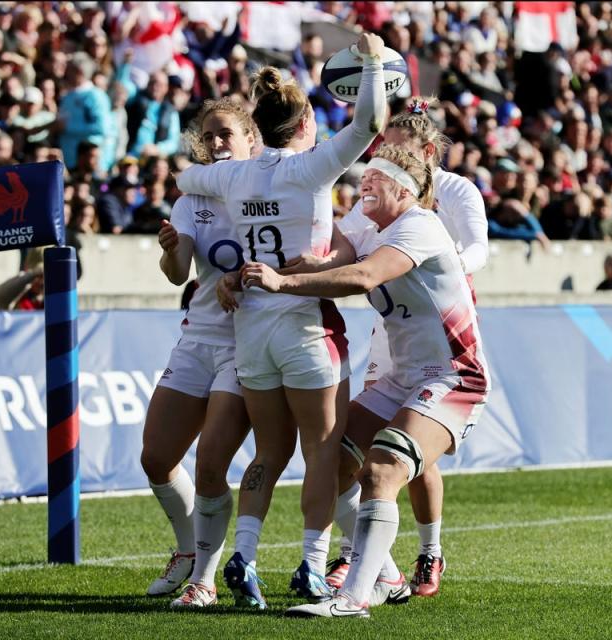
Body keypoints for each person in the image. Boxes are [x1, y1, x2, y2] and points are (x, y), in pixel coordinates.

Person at [177, 33, 386, 609]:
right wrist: (371, 61)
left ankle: (243, 557)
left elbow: (184, 179)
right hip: (303, 325)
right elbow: (368, 124)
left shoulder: (232, 175)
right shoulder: (310, 168)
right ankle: (313, 566)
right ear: (301, 126)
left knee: (268, 453)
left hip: (250, 328)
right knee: (321, 451)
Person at [238, 144, 490, 618]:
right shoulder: (371, 224)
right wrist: (248, 271)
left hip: (455, 373)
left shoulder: (419, 225)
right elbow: (326, 258)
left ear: (404, 188)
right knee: (330, 466)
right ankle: (388, 576)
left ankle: (353, 598)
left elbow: (361, 276)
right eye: (364, 176)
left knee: (381, 470)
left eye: (375, 178)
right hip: (401, 375)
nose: (364, 184)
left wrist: (282, 283)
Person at [326, 96, 489, 598]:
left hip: (445, 350)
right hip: (395, 340)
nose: (383, 160)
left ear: (426, 158)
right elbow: (338, 248)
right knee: (334, 464)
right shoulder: (376, 201)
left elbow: (477, 247)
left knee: (396, 462)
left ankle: (421, 553)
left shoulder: (442, 202)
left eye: (398, 153)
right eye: (381, 150)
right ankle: (378, 568)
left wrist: (441, 264)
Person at [139, 97, 258, 609]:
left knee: (211, 464)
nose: (216, 144)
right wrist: (170, 248)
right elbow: (178, 272)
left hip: (247, 345)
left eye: (226, 134)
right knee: (157, 457)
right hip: (198, 337)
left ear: (251, 138)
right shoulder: (191, 198)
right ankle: (188, 552)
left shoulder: (267, 189)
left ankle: (204, 581)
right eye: (208, 136)